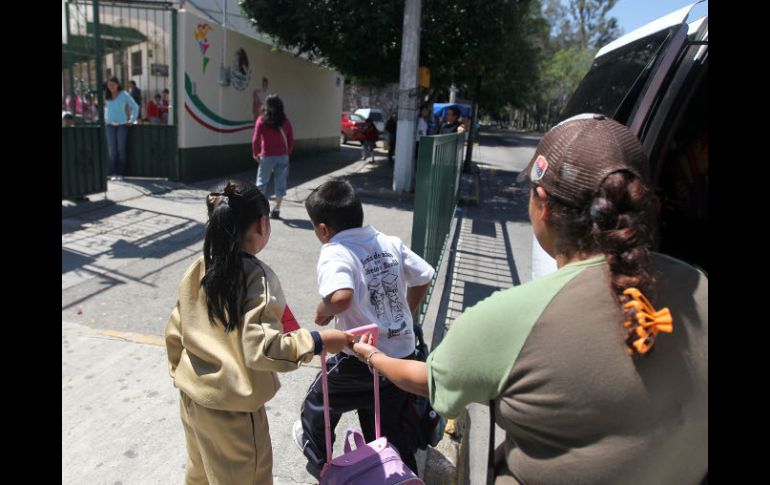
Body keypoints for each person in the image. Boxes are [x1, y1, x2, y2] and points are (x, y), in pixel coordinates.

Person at [351, 115, 708, 484]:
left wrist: (372, 355)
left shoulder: (507, 319)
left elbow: (425, 380)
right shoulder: (698, 285)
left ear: (543, 204)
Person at [165, 180, 354, 485]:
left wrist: (181, 374)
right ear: (262, 224)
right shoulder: (257, 278)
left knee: (199, 475)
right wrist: (318, 341)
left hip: (192, 401)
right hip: (233, 415)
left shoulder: (199, 268)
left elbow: (175, 329)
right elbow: (263, 348)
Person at [292, 180, 435, 477]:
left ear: (322, 229)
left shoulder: (335, 250)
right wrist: (406, 313)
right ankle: (400, 477)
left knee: (317, 405)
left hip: (359, 361)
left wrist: (324, 309)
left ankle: (322, 466)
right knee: (386, 427)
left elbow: (341, 298)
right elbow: (422, 276)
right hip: (401, 358)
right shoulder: (388, 241)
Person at [252, 94, 294, 220]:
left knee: (261, 183)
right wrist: (287, 153)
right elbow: (291, 140)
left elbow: (255, 139)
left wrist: (255, 153)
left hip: (266, 156)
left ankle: (259, 210)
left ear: (266, 106)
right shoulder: (285, 122)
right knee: (280, 183)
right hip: (282, 157)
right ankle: (277, 209)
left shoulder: (261, 120)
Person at [103, 77, 139, 181]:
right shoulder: (106, 94)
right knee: (112, 150)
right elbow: (104, 108)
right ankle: (114, 172)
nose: (111, 87)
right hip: (109, 125)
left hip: (122, 125)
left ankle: (121, 173)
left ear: (118, 84)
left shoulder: (124, 94)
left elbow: (135, 107)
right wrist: (106, 119)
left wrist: (132, 120)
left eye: (113, 85)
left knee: (121, 149)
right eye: (109, 85)